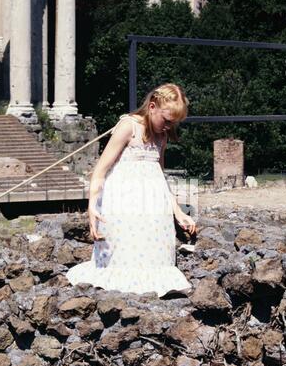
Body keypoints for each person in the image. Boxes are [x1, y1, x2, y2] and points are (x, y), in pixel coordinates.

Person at [66, 83, 196, 297]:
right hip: (124, 202)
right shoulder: (128, 126)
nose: (168, 127)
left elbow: (159, 176)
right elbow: (100, 169)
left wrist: (178, 212)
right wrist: (92, 206)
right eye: (166, 120)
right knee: (123, 256)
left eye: (173, 123)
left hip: (153, 207)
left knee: (153, 258)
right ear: (152, 107)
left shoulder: (161, 137)